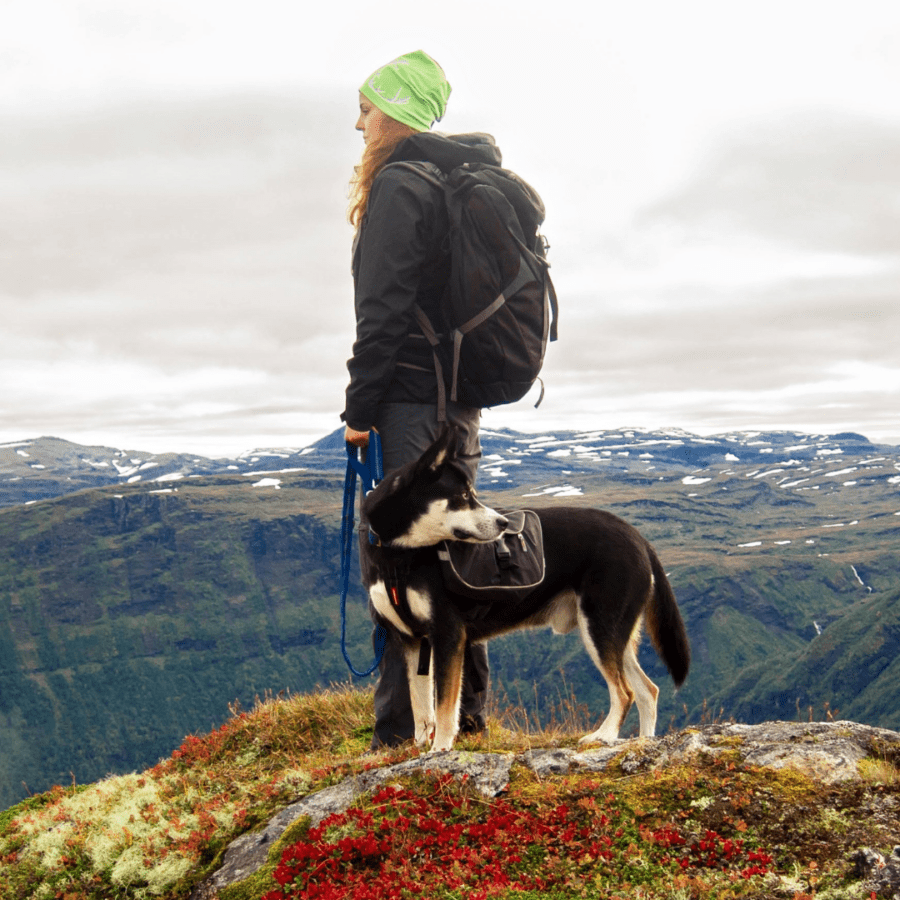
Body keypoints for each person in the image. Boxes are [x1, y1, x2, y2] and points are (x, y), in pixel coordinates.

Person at [341, 50, 497, 749]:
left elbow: (382, 313)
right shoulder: (446, 181)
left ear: (396, 113)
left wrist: (358, 409)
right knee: (454, 552)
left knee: (401, 562)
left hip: (409, 400)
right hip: (455, 402)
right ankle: (464, 718)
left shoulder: (401, 186)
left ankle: (399, 733)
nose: (359, 121)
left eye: (368, 108)